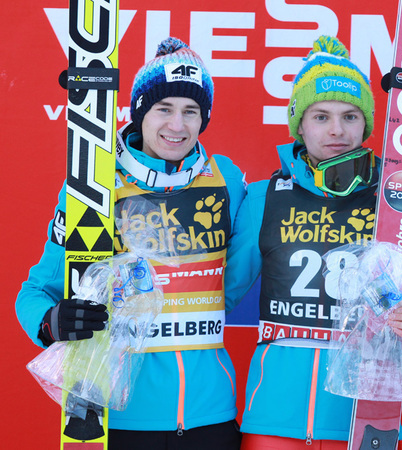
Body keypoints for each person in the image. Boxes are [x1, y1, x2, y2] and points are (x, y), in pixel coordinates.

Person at [223, 36, 402, 449]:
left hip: (364, 421)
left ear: (366, 123)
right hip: (274, 422)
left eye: (350, 116)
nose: (336, 130)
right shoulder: (264, 197)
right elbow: (217, 294)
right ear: (299, 122)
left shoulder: (398, 198)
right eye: (321, 116)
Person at [16, 37, 246, 449]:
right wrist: (52, 321)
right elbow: (35, 292)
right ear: (140, 112)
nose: (177, 126)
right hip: (119, 417)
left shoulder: (226, 178)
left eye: (191, 111)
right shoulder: (94, 185)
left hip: (211, 415)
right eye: (163, 109)